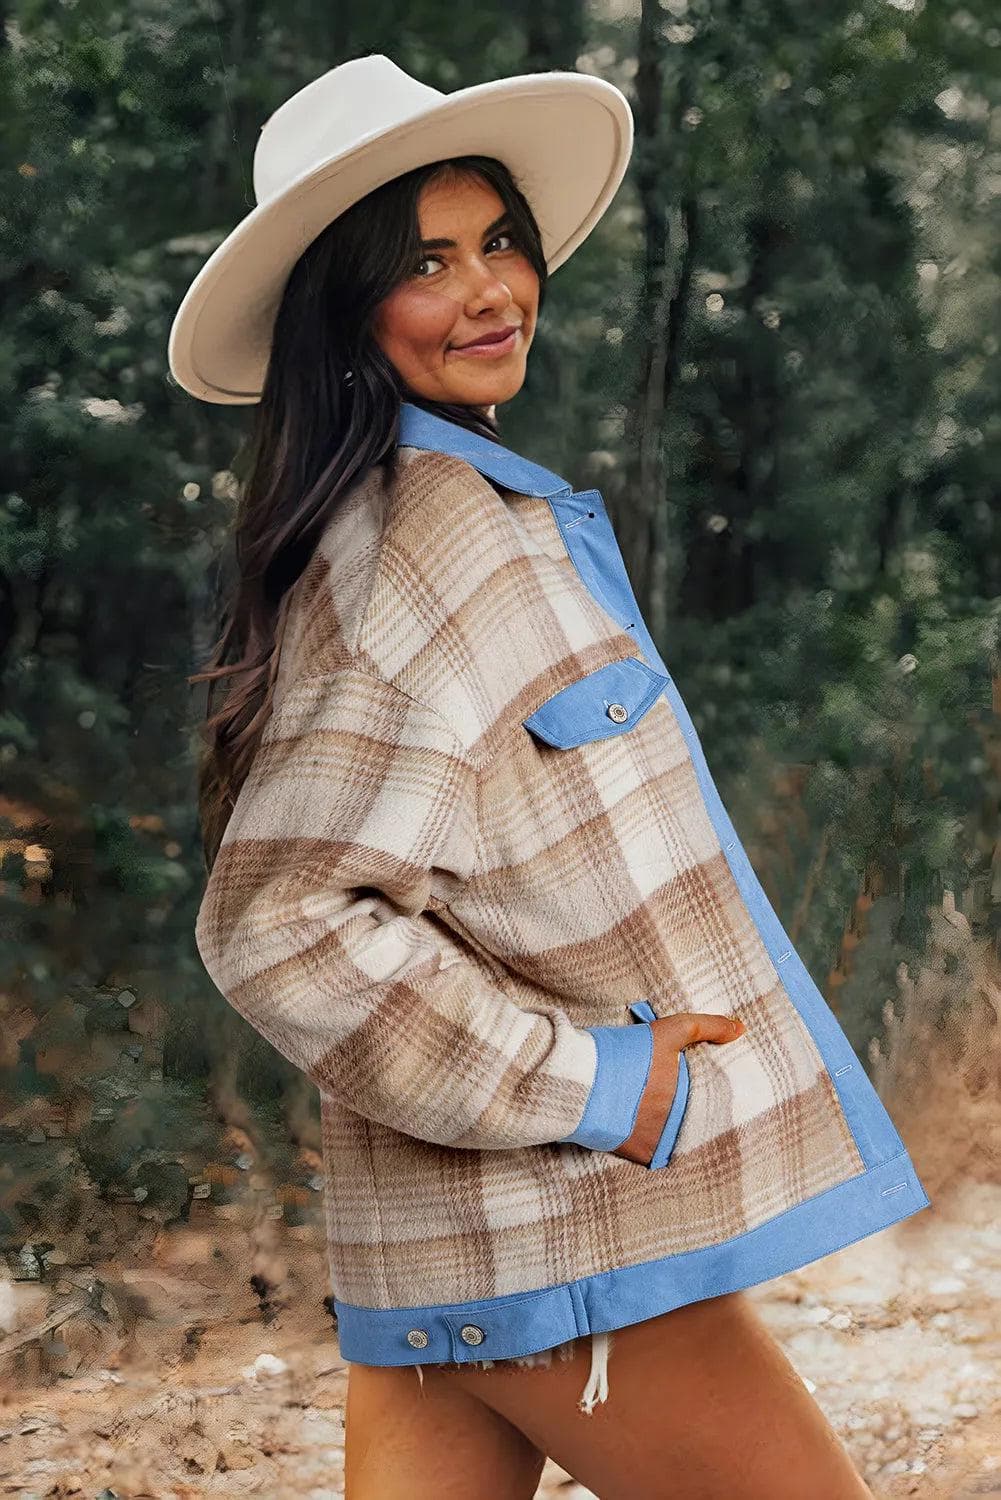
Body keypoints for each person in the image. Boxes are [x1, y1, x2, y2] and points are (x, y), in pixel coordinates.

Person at [168, 53, 931, 1500]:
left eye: (499, 242)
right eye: (426, 265)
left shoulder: (464, 515)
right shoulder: (417, 551)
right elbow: (283, 925)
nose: (489, 290)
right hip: (555, 1243)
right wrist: (589, 1082)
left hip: (465, 1252)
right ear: (343, 311)